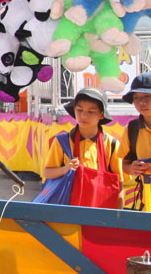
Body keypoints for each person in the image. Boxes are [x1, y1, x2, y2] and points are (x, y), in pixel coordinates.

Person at [43, 87, 123, 208]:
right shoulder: (62, 141)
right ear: (74, 110)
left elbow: (119, 184)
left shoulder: (112, 144)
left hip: (100, 210)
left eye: (91, 112)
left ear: (101, 114)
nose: (84, 115)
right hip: (68, 206)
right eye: (79, 110)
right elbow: (47, 173)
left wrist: (118, 217)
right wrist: (66, 168)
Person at [120, 73, 151, 211]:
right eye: (136, 98)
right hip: (146, 203)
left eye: (146, 97)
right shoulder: (132, 129)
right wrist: (132, 168)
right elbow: (124, 164)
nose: (141, 103)